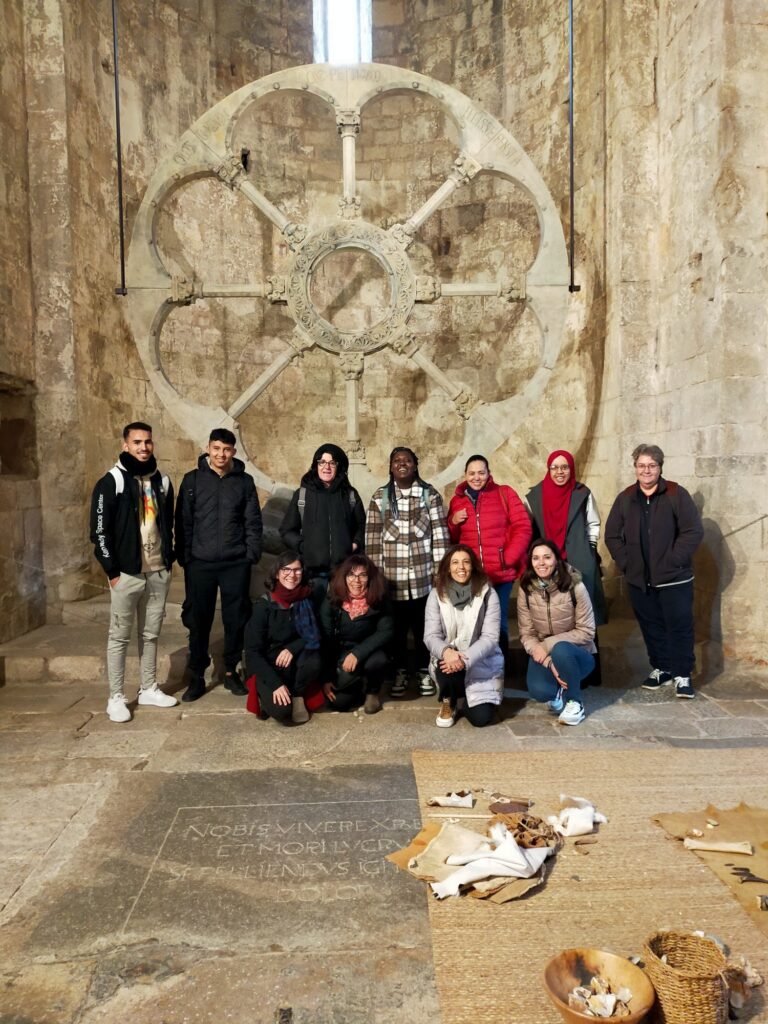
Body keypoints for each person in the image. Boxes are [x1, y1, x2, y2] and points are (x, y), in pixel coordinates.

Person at [89, 421, 178, 723]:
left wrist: (168, 560)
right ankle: (116, 697)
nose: (143, 447)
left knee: (151, 634)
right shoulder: (111, 482)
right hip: (126, 574)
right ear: (125, 444)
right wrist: (112, 571)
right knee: (119, 637)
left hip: (157, 571)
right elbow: (99, 532)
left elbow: (168, 524)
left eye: (148, 441)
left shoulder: (162, 481)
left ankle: (148, 688)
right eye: (137, 442)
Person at [605, 443, 703, 699]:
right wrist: (628, 563)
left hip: (674, 579)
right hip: (640, 579)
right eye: (641, 465)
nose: (646, 470)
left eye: (651, 465)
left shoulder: (676, 494)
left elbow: (692, 531)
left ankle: (682, 674)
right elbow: (612, 535)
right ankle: (663, 668)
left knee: (679, 626)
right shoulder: (626, 497)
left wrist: (673, 560)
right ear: (635, 467)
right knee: (651, 627)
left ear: (660, 467)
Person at [175, 428, 263, 702]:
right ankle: (197, 676)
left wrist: (250, 555)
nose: (221, 454)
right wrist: (186, 558)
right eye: (216, 448)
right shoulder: (192, 480)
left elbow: (252, 521)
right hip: (200, 563)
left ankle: (230, 671)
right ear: (208, 449)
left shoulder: (244, 482)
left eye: (226, 449)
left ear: (233, 452)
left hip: (235, 563)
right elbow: (183, 521)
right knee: (198, 620)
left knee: (235, 619)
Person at [365, 447, 450, 698]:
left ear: (415, 465)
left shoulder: (429, 495)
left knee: (425, 629)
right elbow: (372, 541)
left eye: (407, 460)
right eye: (397, 460)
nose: (402, 464)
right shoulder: (380, 498)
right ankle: (400, 671)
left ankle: (424, 670)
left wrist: (439, 573)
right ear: (391, 467)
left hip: (423, 582)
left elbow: (440, 536)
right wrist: (376, 578)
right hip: (393, 583)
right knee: (397, 632)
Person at [447, 454, 531, 653]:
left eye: (481, 473)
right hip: (472, 576)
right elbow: (452, 539)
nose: (477, 478)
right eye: (472, 473)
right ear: (465, 475)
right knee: (473, 624)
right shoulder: (457, 501)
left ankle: (500, 666)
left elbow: (523, 526)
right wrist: (453, 522)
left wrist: (508, 558)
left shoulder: (504, 493)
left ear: (489, 473)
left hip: (501, 575)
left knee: (498, 623)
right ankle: (479, 666)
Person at [517, 538, 596, 726]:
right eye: (536, 558)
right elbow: (527, 634)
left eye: (547, 557)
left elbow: (587, 631)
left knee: (561, 648)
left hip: (578, 653)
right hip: (545, 654)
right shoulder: (526, 588)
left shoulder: (575, 586)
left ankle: (575, 703)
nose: (541, 563)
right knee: (540, 691)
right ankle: (558, 692)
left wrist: (547, 645)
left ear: (556, 559)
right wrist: (548, 661)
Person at [423, 545, 504, 728]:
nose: (461, 567)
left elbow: (490, 638)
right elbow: (431, 635)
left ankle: (470, 699)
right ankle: (449, 700)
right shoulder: (436, 595)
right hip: (449, 663)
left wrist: (464, 659)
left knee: (480, 719)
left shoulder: (488, 593)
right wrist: (446, 652)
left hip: (479, 661)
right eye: (455, 562)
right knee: (444, 663)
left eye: (466, 562)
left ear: (473, 566)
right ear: (447, 568)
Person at [244, 551, 323, 724]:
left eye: (297, 570)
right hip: (269, 665)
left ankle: (298, 694)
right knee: (283, 712)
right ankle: (266, 693)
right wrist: (275, 685)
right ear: (277, 573)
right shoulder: (264, 606)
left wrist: (291, 649)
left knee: (314, 659)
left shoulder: (307, 599)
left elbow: (314, 634)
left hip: (295, 661)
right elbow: (253, 652)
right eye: (286, 569)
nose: (292, 575)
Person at [320, 554, 394, 715]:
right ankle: (357, 683)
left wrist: (357, 653)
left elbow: (386, 631)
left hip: (370, 652)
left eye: (363, 575)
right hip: (341, 653)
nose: (357, 580)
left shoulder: (379, 597)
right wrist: (326, 678)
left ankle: (372, 692)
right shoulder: (332, 599)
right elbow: (326, 639)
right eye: (351, 575)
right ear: (344, 577)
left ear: (370, 578)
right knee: (339, 703)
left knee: (379, 660)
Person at [280, 443, 365, 578]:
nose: (327, 467)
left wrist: (355, 544)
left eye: (332, 463)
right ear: (316, 465)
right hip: (311, 574)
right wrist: (303, 547)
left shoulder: (350, 495)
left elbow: (362, 526)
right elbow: (287, 530)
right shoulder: (302, 495)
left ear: (339, 467)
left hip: (344, 573)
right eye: (322, 462)